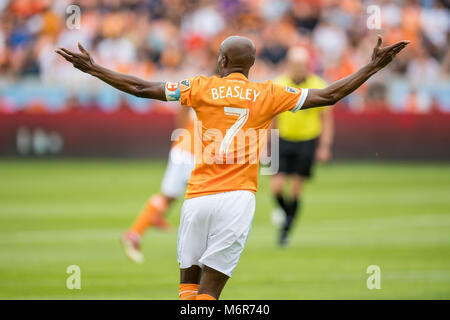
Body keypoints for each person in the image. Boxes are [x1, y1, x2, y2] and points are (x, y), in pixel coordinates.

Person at [56, 34, 409, 300]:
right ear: (251, 65)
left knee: (188, 291)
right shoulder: (270, 93)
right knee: (209, 296)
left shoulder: (199, 87)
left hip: (198, 198)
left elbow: (140, 87)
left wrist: (92, 68)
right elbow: (330, 95)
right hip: (237, 199)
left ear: (223, 61)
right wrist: (373, 66)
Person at [271, 47, 334, 247]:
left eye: (301, 65)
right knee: (277, 188)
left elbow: (326, 119)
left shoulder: (318, 85)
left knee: (297, 189)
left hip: (307, 140)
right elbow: (271, 117)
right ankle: (286, 216)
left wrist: (324, 146)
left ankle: (286, 230)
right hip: (282, 139)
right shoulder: (278, 84)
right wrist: (267, 142)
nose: (298, 69)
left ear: (307, 65)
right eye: (295, 64)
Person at [121, 106, 196, 264]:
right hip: (188, 154)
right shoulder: (209, 90)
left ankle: (149, 222)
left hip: (189, 152)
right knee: (195, 196)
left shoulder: (213, 91)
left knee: (170, 196)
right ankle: (134, 233)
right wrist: (182, 134)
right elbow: (184, 105)